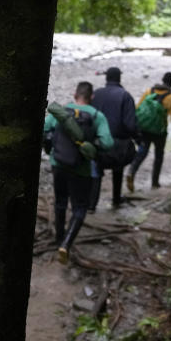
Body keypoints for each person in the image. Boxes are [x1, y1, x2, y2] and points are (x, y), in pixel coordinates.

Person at [43, 81, 113, 264]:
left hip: (57, 164)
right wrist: (91, 145)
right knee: (80, 207)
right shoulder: (97, 116)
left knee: (60, 201)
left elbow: (44, 129)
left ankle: (58, 237)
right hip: (81, 169)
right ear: (92, 98)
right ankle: (65, 244)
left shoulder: (62, 111)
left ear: (75, 95)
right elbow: (107, 143)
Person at [127, 72, 171, 191]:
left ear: (162, 80)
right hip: (159, 131)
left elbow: (138, 108)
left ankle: (131, 171)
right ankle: (155, 183)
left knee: (143, 151)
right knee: (158, 156)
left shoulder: (149, 91)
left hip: (144, 128)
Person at [90, 66, 139, 210]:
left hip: (98, 142)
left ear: (106, 78)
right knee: (118, 168)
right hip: (118, 144)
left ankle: (92, 205)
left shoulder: (96, 94)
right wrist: (138, 137)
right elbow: (130, 124)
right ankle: (116, 199)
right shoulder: (125, 95)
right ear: (119, 78)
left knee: (97, 171)